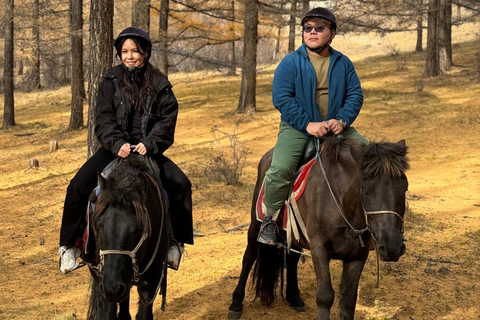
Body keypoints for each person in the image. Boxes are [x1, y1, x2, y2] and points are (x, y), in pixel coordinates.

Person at [58, 26, 193, 273]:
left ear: (146, 52)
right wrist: (117, 144)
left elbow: (166, 121)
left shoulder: (161, 85)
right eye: (124, 51)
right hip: (114, 149)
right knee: (77, 185)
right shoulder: (109, 82)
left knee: (181, 184)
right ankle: (70, 247)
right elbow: (103, 119)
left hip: (147, 150)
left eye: (135, 51)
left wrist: (150, 143)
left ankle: (175, 243)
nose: (129, 56)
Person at [257, 8, 369, 245]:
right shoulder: (290, 63)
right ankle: (270, 218)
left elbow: (355, 95)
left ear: (332, 33)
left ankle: (373, 218)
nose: (312, 33)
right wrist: (307, 124)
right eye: (308, 28)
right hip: (297, 127)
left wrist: (342, 120)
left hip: (337, 127)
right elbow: (282, 98)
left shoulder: (343, 63)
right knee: (281, 168)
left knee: (372, 159)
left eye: (319, 28)